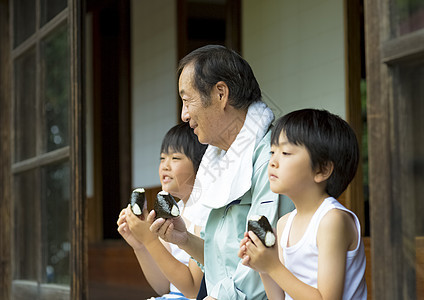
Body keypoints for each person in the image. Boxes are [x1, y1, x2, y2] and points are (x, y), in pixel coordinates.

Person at [147, 44, 295, 300]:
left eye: (186, 100)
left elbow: (264, 257)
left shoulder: (270, 159)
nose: (183, 115)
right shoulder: (218, 160)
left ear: (220, 94)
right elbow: (222, 263)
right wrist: (185, 240)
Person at [238, 109, 367, 300]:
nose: (272, 161)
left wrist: (272, 266)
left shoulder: (332, 220)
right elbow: (278, 298)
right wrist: (262, 266)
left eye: (286, 152)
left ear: (322, 169)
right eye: (272, 152)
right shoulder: (284, 224)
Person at [117, 122, 207, 299]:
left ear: (201, 164)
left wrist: (150, 240)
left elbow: (193, 290)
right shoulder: (175, 210)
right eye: (162, 158)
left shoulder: (205, 213)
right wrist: (140, 245)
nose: (165, 166)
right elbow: (162, 286)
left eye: (175, 158)